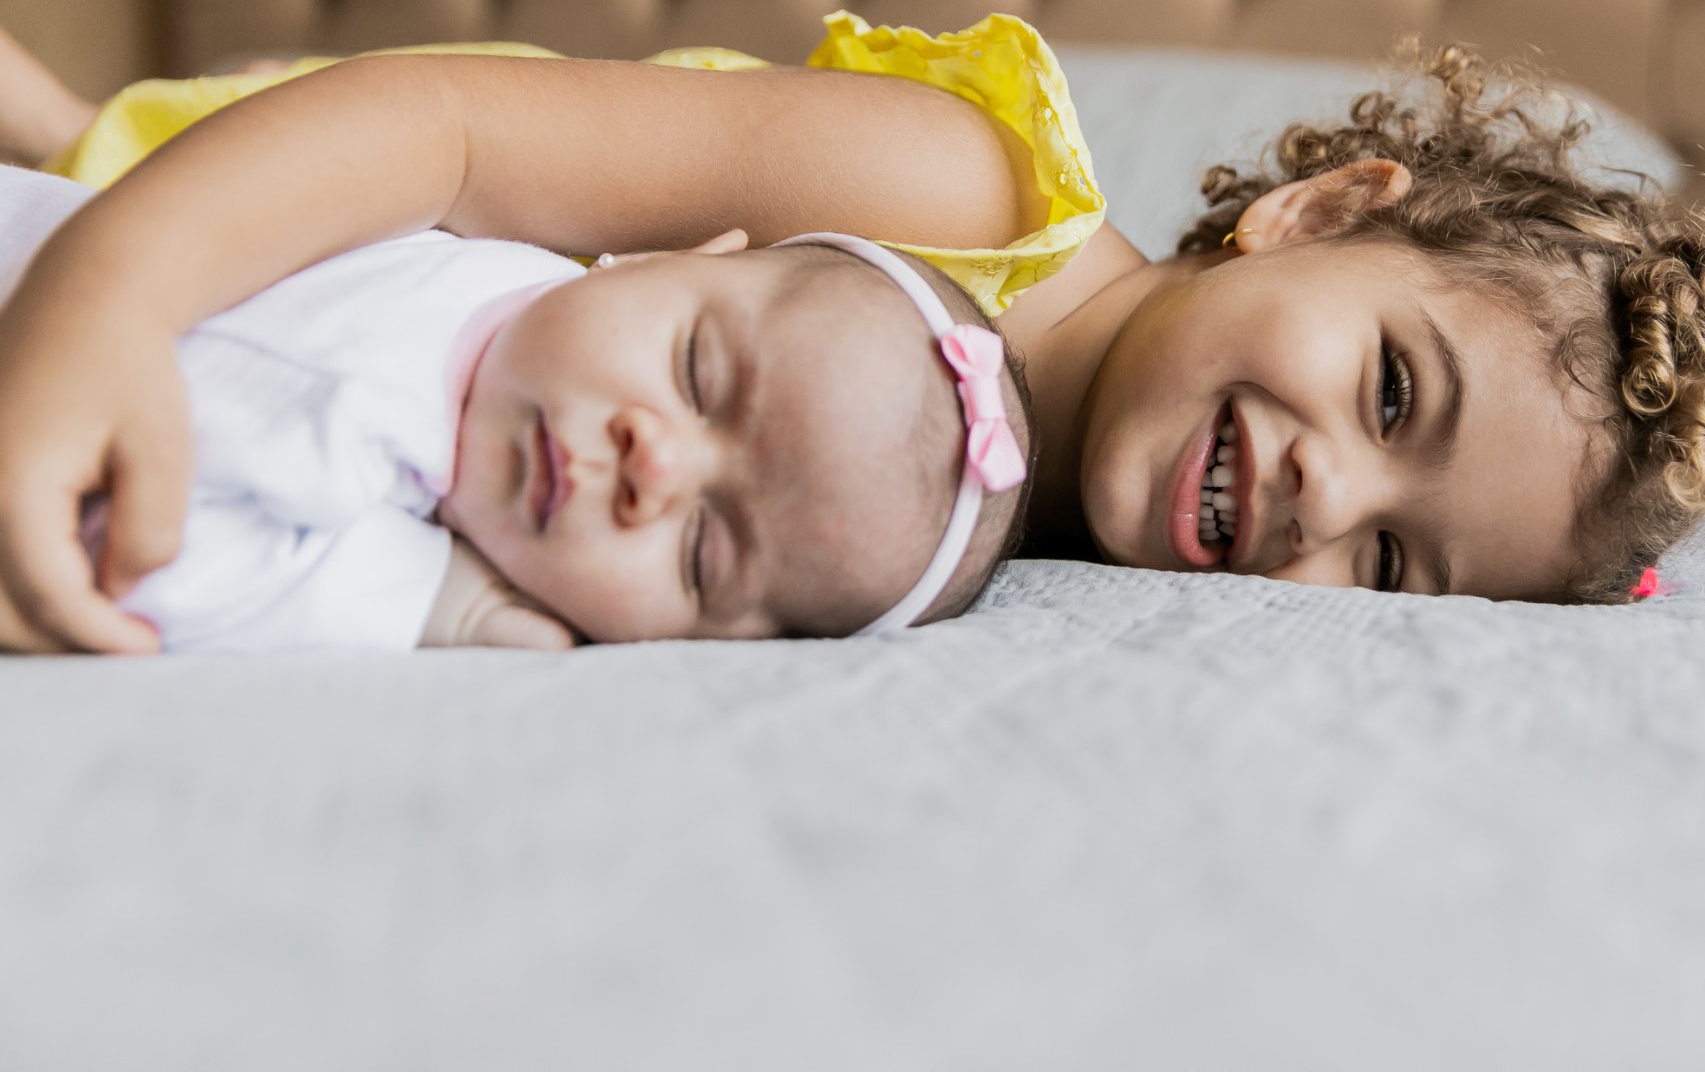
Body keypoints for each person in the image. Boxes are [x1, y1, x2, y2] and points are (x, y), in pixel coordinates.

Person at [0, 12, 1705, 654]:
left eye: (1396, 567)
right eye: (1395, 386)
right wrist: (111, 300)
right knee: (82, 171)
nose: (1327, 494)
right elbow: (443, 136)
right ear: (1314, 213)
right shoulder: (957, 187)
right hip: (312, 210)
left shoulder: (1078, 557)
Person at [0, 161, 1032, 653]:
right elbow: (126, 552)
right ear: (669, 256)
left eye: (702, 555)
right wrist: (431, 603)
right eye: (696, 374)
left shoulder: (509, 310)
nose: (654, 469)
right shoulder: (379, 363)